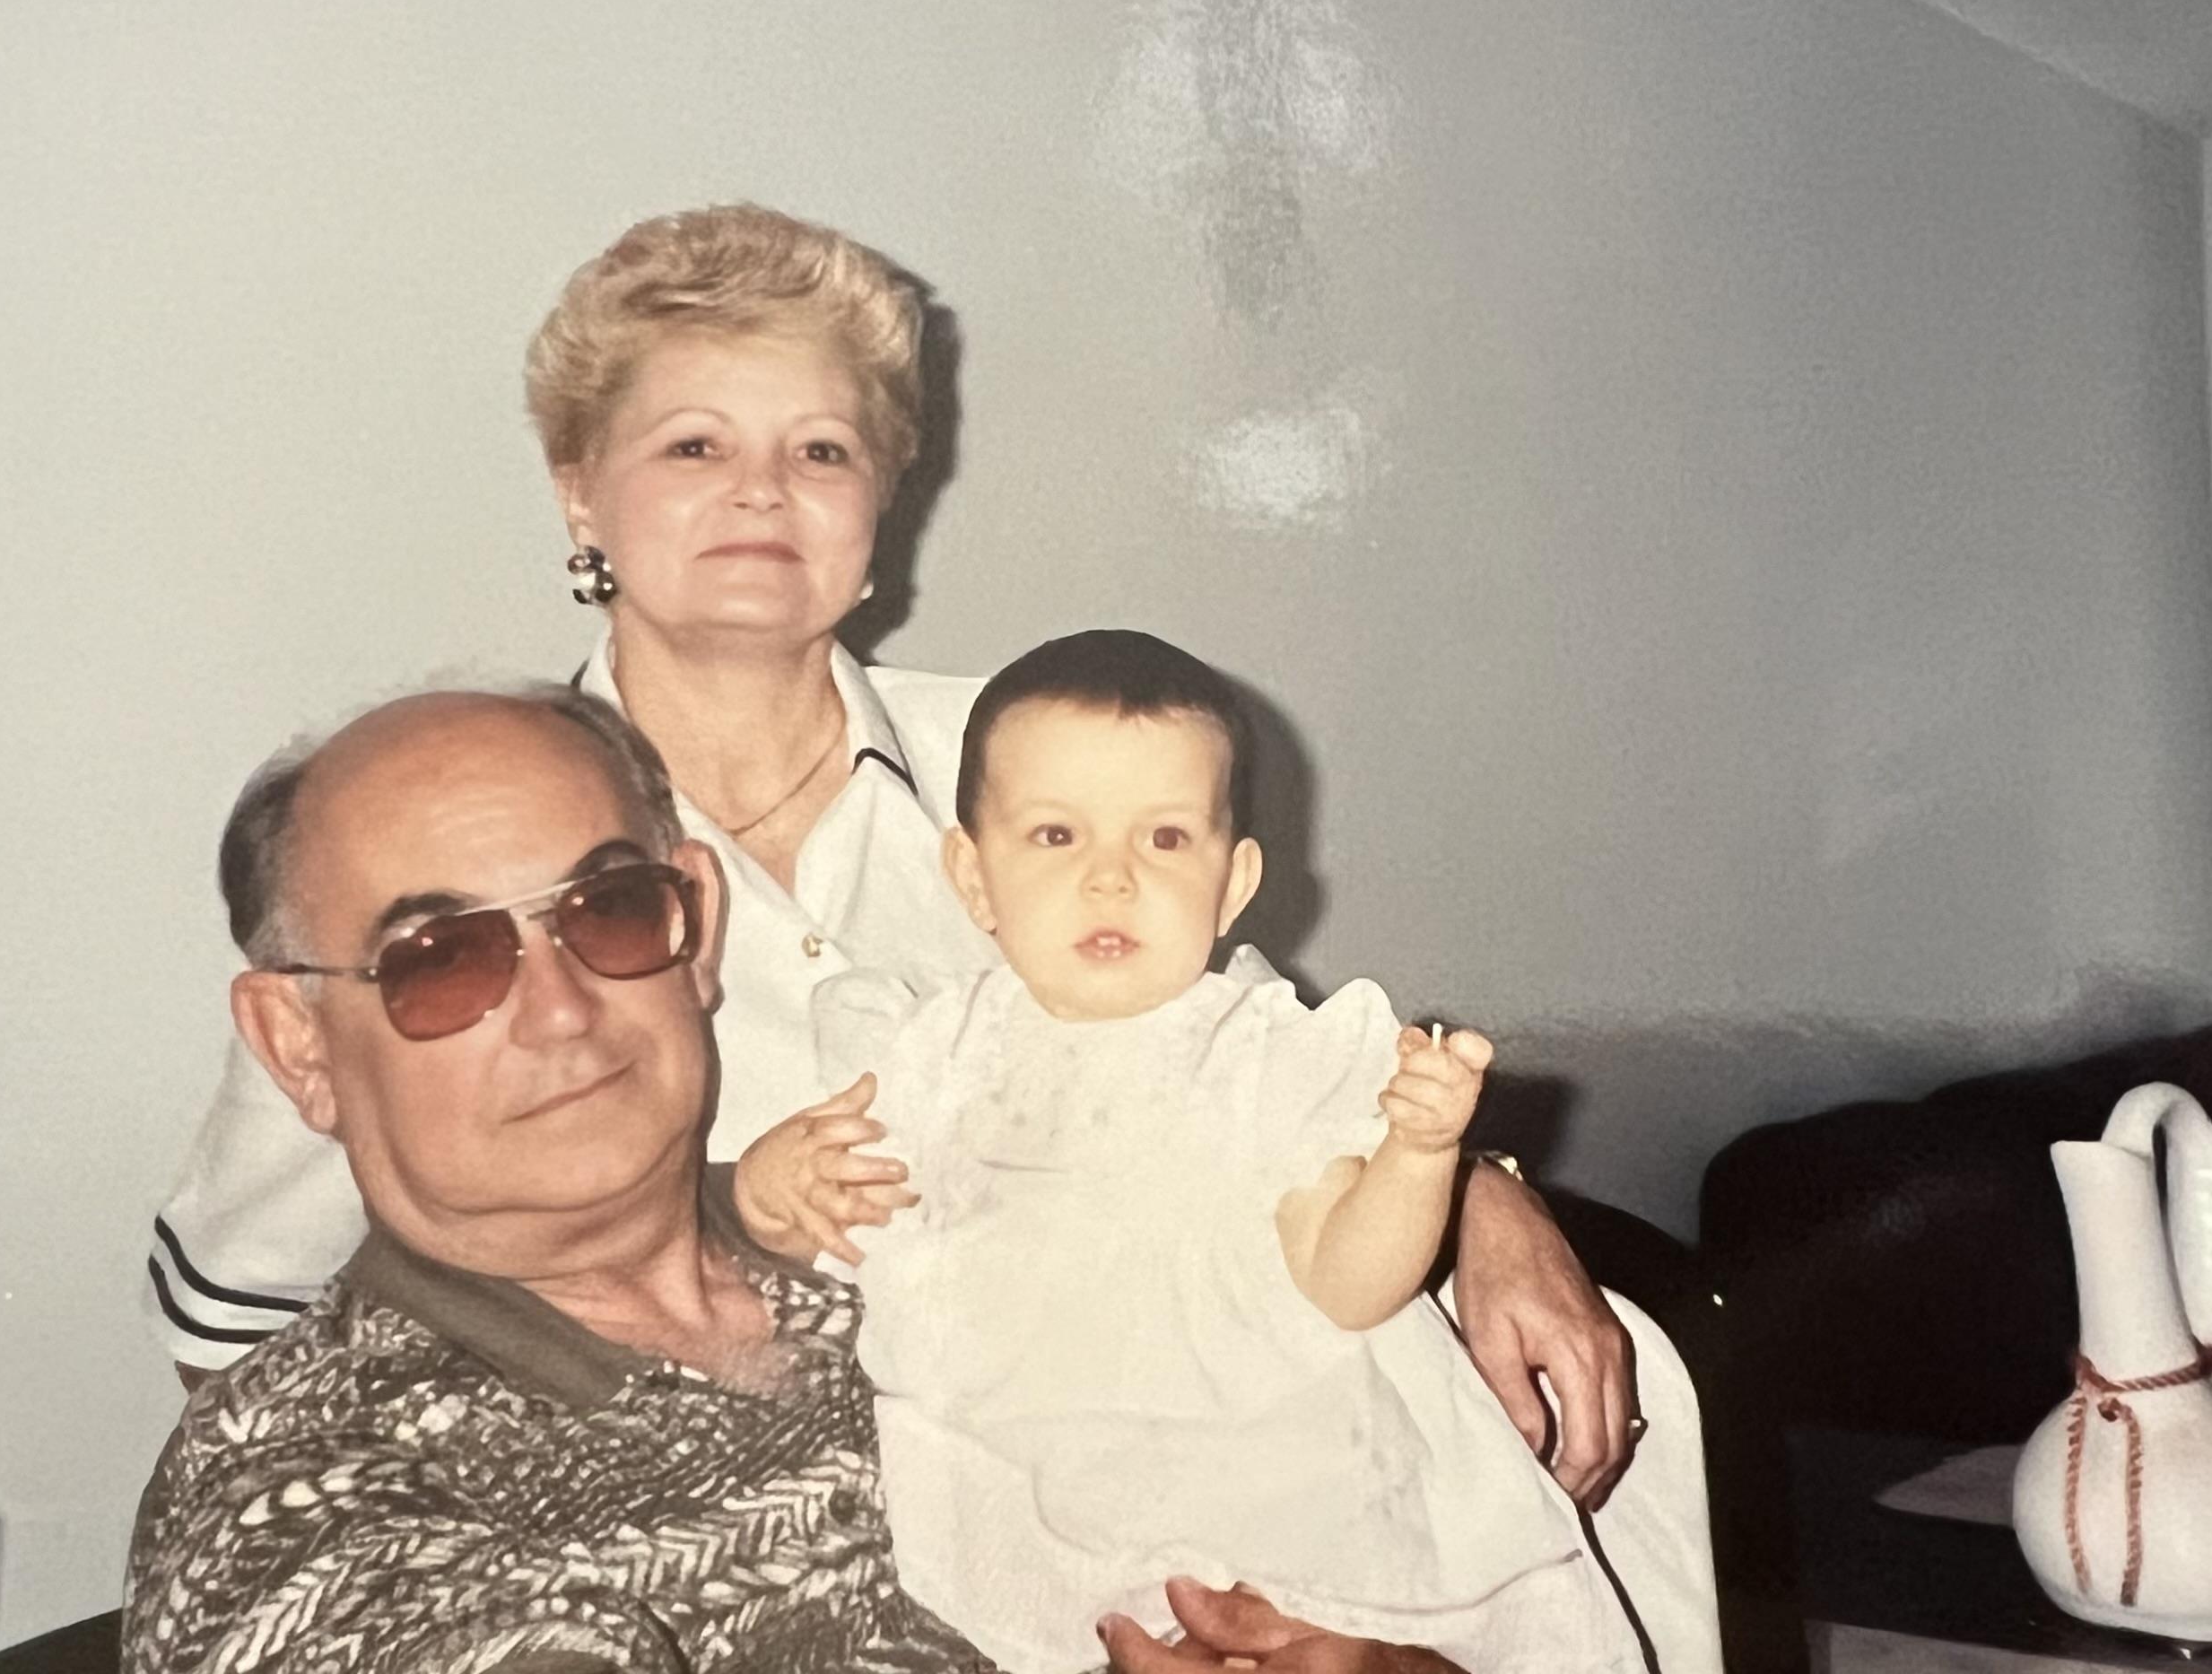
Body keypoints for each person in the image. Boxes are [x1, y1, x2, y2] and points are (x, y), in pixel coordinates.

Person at [141, 205, 1660, 1530]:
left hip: (1118, 1443)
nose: (761, 491)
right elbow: (239, 1310)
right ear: (578, 493)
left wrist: (1487, 1204)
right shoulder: (466, 847)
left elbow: (1267, 1069)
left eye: (821, 448)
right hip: (709, 1501)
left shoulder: (1032, 754)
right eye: (692, 445)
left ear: (879, 510)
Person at [126, 685, 1471, 1674]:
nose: (560, 1011)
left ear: (696, 930)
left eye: (607, 910)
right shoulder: (293, 1489)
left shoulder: (920, 1208)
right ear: (301, 1043)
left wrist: (1473, 1189)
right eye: (442, 958)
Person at [735, 632, 1649, 1674]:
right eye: (1053, 837)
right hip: (1016, 1477)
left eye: (1164, 840)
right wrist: (777, 1188)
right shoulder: (927, 1049)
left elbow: (1351, 1284)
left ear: (1231, 884)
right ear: (973, 880)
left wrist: (1418, 1155)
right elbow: (836, 1228)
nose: (1111, 878)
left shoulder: (1268, 1057)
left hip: (1267, 1489)